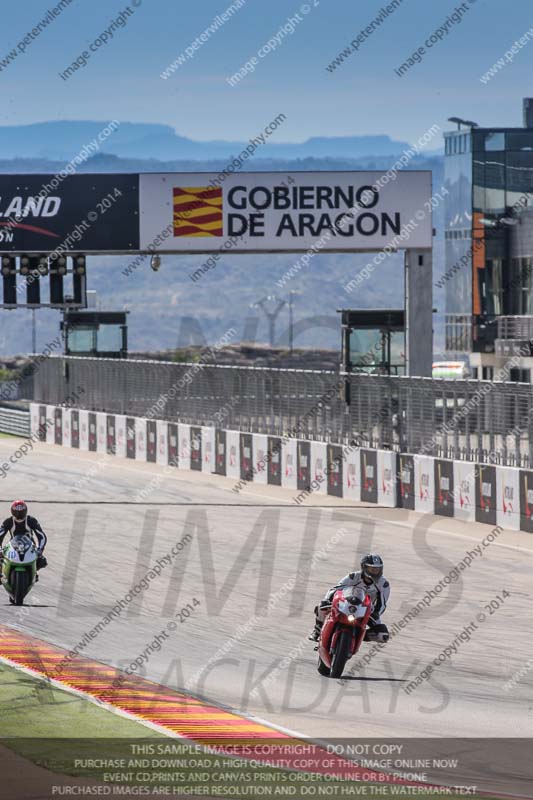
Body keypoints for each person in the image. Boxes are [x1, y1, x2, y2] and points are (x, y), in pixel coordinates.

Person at [309, 553, 390, 643]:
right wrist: (328, 599)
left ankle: (360, 636)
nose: (375, 572)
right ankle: (317, 630)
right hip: (347, 604)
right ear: (364, 568)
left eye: (378, 569)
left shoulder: (384, 584)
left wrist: (376, 613)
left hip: (366, 611)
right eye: (372, 569)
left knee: (383, 635)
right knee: (321, 606)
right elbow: (336, 589)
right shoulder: (353, 576)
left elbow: (382, 604)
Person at [0, 500, 48, 570]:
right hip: (12, 547)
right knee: (1, 560)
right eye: (17, 511)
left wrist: (40, 549)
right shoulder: (8, 521)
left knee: (42, 561)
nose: (18, 513)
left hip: (30, 546)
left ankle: (34, 574)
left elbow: (41, 536)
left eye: (21, 511)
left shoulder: (31, 520)